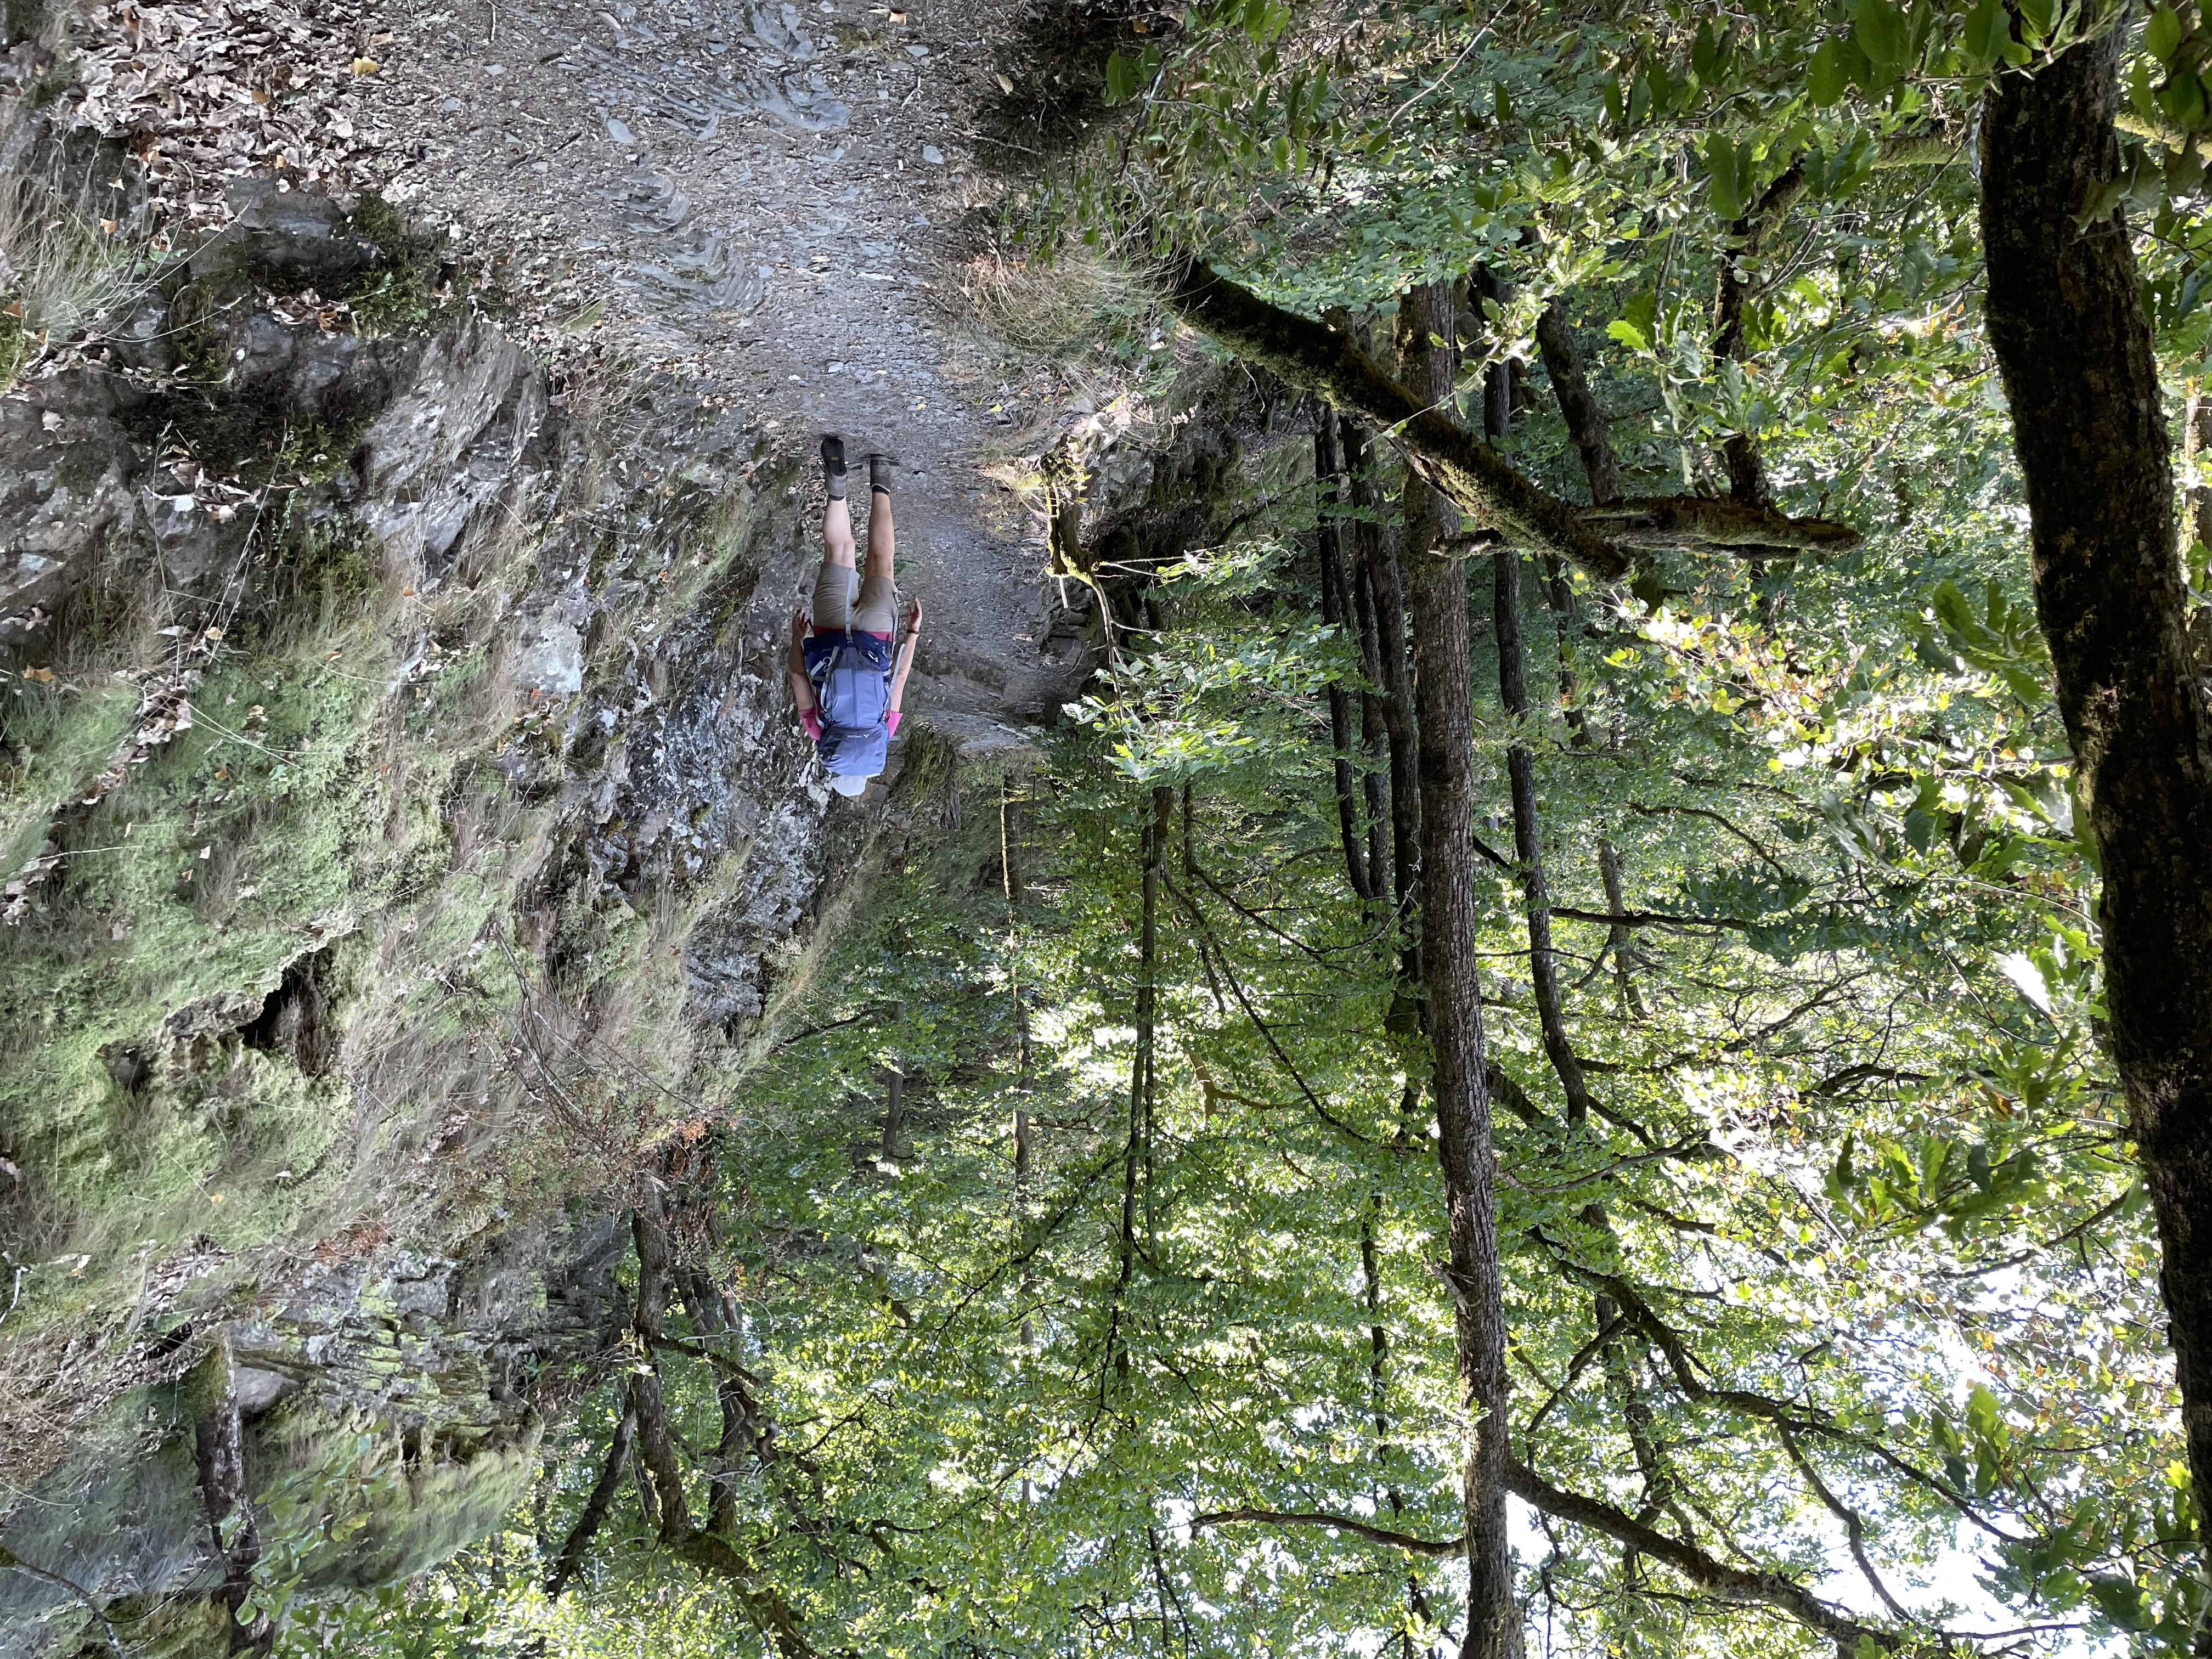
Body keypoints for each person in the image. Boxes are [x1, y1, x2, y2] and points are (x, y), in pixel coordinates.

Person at [788, 437, 921, 796]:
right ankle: (837, 490)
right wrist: (798, 639)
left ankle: (881, 478)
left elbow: (901, 676)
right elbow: (799, 675)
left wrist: (913, 633)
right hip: (829, 631)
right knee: (839, 549)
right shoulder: (819, 730)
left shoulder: (884, 730)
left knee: (881, 563)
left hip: (876, 635)